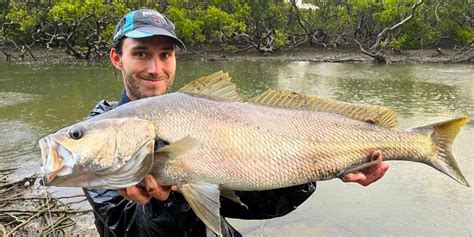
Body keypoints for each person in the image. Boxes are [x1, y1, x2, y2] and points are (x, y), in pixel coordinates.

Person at [83, 9, 389, 237]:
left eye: (165, 54)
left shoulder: (203, 115)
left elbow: (260, 205)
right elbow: (125, 227)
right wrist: (172, 194)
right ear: (116, 58)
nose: (155, 68)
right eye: (140, 54)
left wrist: (326, 165)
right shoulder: (96, 135)